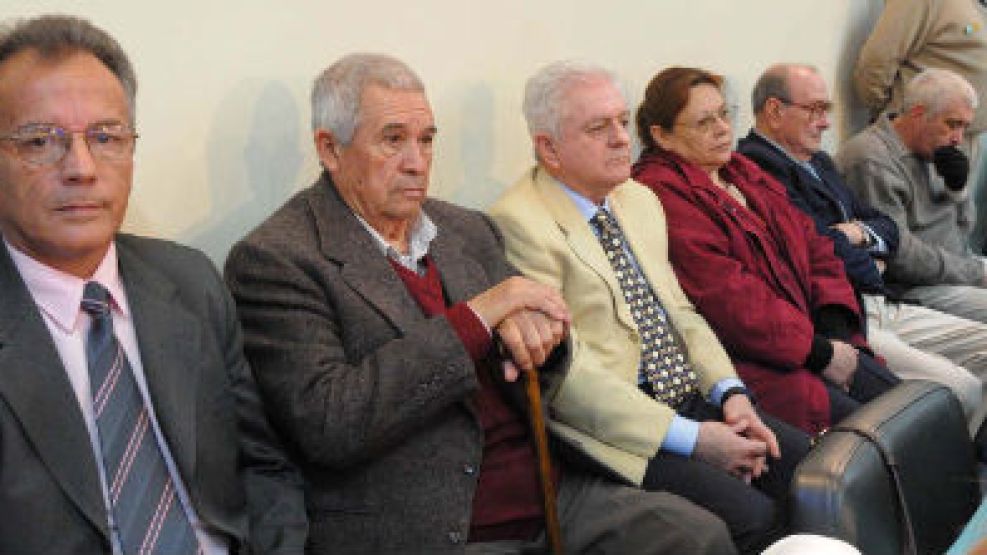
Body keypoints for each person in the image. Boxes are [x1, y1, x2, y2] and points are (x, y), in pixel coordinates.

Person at [224, 52, 734, 554]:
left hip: (551, 487)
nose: (416, 162)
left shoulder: (465, 229)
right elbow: (331, 422)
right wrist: (475, 319)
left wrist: (541, 340)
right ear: (329, 149)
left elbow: (549, 354)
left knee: (699, 535)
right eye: (392, 140)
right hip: (433, 520)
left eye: (426, 140)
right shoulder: (277, 259)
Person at [0, 14, 307, 554]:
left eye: (106, 137)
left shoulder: (189, 280)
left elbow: (264, 468)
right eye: (40, 141)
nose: (82, 167)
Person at [488, 60, 810, 555]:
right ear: (548, 148)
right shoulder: (518, 223)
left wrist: (731, 395)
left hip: (686, 394)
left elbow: (681, 313)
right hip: (617, 429)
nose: (622, 139)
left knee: (807, 468)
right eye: (599, 128)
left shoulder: (637, 199)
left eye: (621, 121)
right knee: (752, 516)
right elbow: (569, 378)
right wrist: (696, 439)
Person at [631, 66, 899, 438]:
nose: (723, 128)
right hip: (760, 364)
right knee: (874, 440)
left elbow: (816, 245)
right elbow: (730, 298)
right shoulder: (659, 193)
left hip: (818, 337)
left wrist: (835, 329)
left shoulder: (740, 170)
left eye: (724, 114)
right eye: (704, 122)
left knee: (911, 412)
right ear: (662, 136)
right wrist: (819, 352)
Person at [738, 63, 987, 426]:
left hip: (878, 299)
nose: (825, 123)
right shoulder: (758, 170)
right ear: (775, 111)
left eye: (827, 110)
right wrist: (870, 255)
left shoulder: (818, 161)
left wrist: (861, 235)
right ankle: (937, 476)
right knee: (960, 388)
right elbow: (822, 250)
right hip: (851, 313)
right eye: (815, 110)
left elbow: (887, 229)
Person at [835, 68, 987, 327]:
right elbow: (901, 259)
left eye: (964, 127)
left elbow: (963, 233)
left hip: (956, 269)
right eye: (952, 124)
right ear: (918, 114)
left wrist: (957, 189)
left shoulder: (933, 148)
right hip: (913, 289)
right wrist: (975, 273)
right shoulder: (872, 160)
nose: (958, 139)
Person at [854, 0, 987, 252]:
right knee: (920, 245)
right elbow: (876, 62)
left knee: (957, 235)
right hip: (919, 140)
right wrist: (896, 115)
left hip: (962, 141)